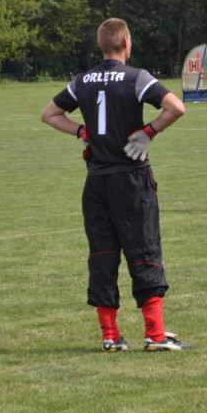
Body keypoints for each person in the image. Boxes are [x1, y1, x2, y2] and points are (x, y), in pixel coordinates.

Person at [41, 18, 190, 352]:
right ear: (126, 43)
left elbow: (49, 114)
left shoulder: (82, 81)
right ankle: (154, 335)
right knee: (144, 249)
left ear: (101, 45)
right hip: (131, 178)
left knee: (103, 254)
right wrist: (149, 132)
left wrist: (83, 132)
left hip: (96, 182)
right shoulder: (136, 77)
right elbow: (175, 107)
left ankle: (110, 336)